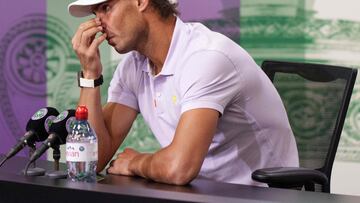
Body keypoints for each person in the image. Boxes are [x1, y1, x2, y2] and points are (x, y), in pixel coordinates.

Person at [68, 0, 299, 186]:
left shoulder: (206, 58)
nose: (98, 24)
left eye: (106, 8)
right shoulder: (133, 66)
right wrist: (90, 75)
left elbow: (179, 168)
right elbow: (91, 159)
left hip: (260, 196)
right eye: (95, 13)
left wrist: (136, 162)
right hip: (198, 192)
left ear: (140, 2)